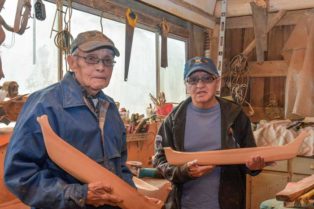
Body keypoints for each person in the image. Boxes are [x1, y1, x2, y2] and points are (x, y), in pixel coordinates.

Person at [4, 30, 134, 209]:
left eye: (107, 60)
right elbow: (20, 174)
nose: (101, 67)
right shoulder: (44, 104)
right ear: (72, 62)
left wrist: (137, 199)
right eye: (91, 59)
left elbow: (120, 167)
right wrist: (79, 195)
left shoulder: (109, 108)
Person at [153, 56, 271, 209]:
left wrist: (254, 166)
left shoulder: (235, 115)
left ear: (218, 82)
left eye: (207, 78)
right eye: (193, 79)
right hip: (184, 204)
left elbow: (248, 159)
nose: (200, 85)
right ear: (186, 85)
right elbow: (159, 160)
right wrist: (183, 172)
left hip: (228, 204)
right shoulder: (174, 120)